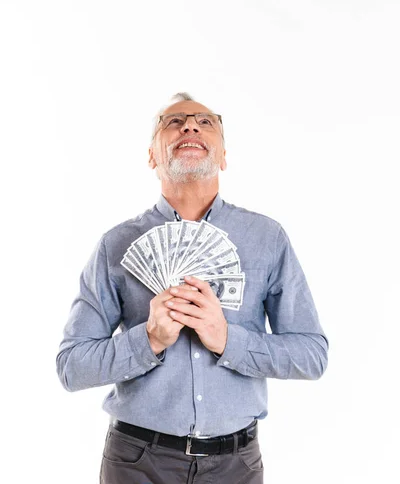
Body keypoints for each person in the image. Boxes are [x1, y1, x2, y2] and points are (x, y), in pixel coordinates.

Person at [56, 92, 329, 484]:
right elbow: (71, 367)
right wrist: (147, 340)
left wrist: (227, 340)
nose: (190, 126)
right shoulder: (114, 245)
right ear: (152, 156)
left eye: (206, 122)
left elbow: (312, 355)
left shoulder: (267, 238)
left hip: (236, 464)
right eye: (173, 122)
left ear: (222, 155)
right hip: (137, 462)